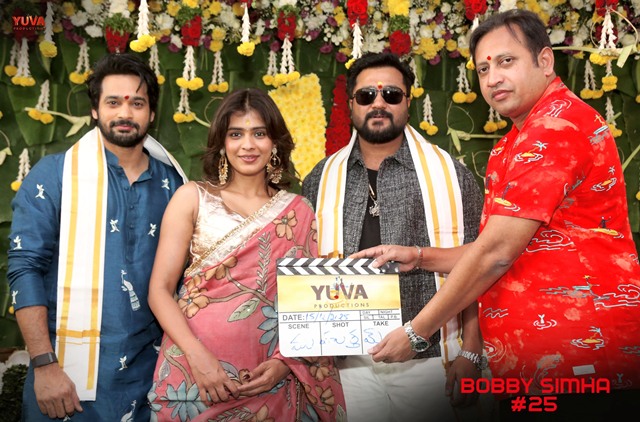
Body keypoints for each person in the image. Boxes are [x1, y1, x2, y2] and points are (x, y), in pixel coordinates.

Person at [352, 9, 640, 421]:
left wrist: (418, 332)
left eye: (506, 61)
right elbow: (503, 249)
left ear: (545, 60)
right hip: (532, 365)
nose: (492, 78)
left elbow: (496, 254)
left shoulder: (556, 127)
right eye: (484, 68)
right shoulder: (513, 143)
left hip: (583, 361)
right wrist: (420, 257)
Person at [302, 52, 488, 422]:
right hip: (348, 362)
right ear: (351, 105)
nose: (379, 104)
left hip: (431, 357)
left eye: (390, 94)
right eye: (366, 96)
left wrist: (470, 350)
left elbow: (478, 264)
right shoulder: (320, 179)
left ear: (407, 101)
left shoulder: (451, 175)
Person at [146, 88, 346, 421]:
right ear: (222, 142)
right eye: (236, 134)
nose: (248, 145)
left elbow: (313, 305)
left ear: (275, 142)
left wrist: (285, 363)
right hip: (196, 378)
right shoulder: (192, 198)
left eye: (259, 134)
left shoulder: (298, 211)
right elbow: (159, 290)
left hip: (271, 381)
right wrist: (198, 357)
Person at [7, 53, 187, 421]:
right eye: (113, 102)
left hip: (153, 378)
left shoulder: (174, 185)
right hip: (62, 377)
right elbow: (25, 269)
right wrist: (44, 364)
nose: (125, 113)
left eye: (137, 103)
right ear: (95, 110)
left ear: (152, 113)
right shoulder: (55, 175)